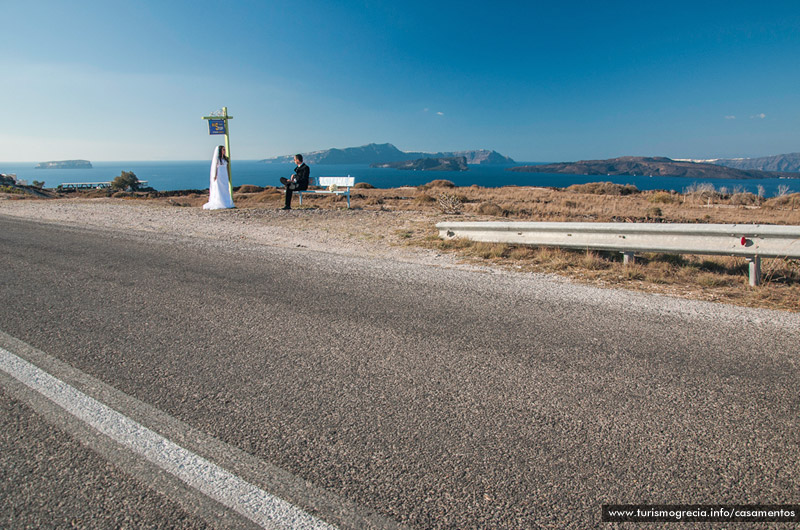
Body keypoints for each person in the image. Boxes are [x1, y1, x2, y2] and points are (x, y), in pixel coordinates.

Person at [203, 145, 235, 210]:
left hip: (224, 175)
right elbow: (215, 168)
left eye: (225, 149)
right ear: (220, 151)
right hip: (219, 175)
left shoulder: (225, 159)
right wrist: (215, 175)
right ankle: (220, 202)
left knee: (225, 188)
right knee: (219, 188)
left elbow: (227, 168)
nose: (224, 151)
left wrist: (228, 176)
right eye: (223, 149)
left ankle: (226, 201)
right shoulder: (217, 159)